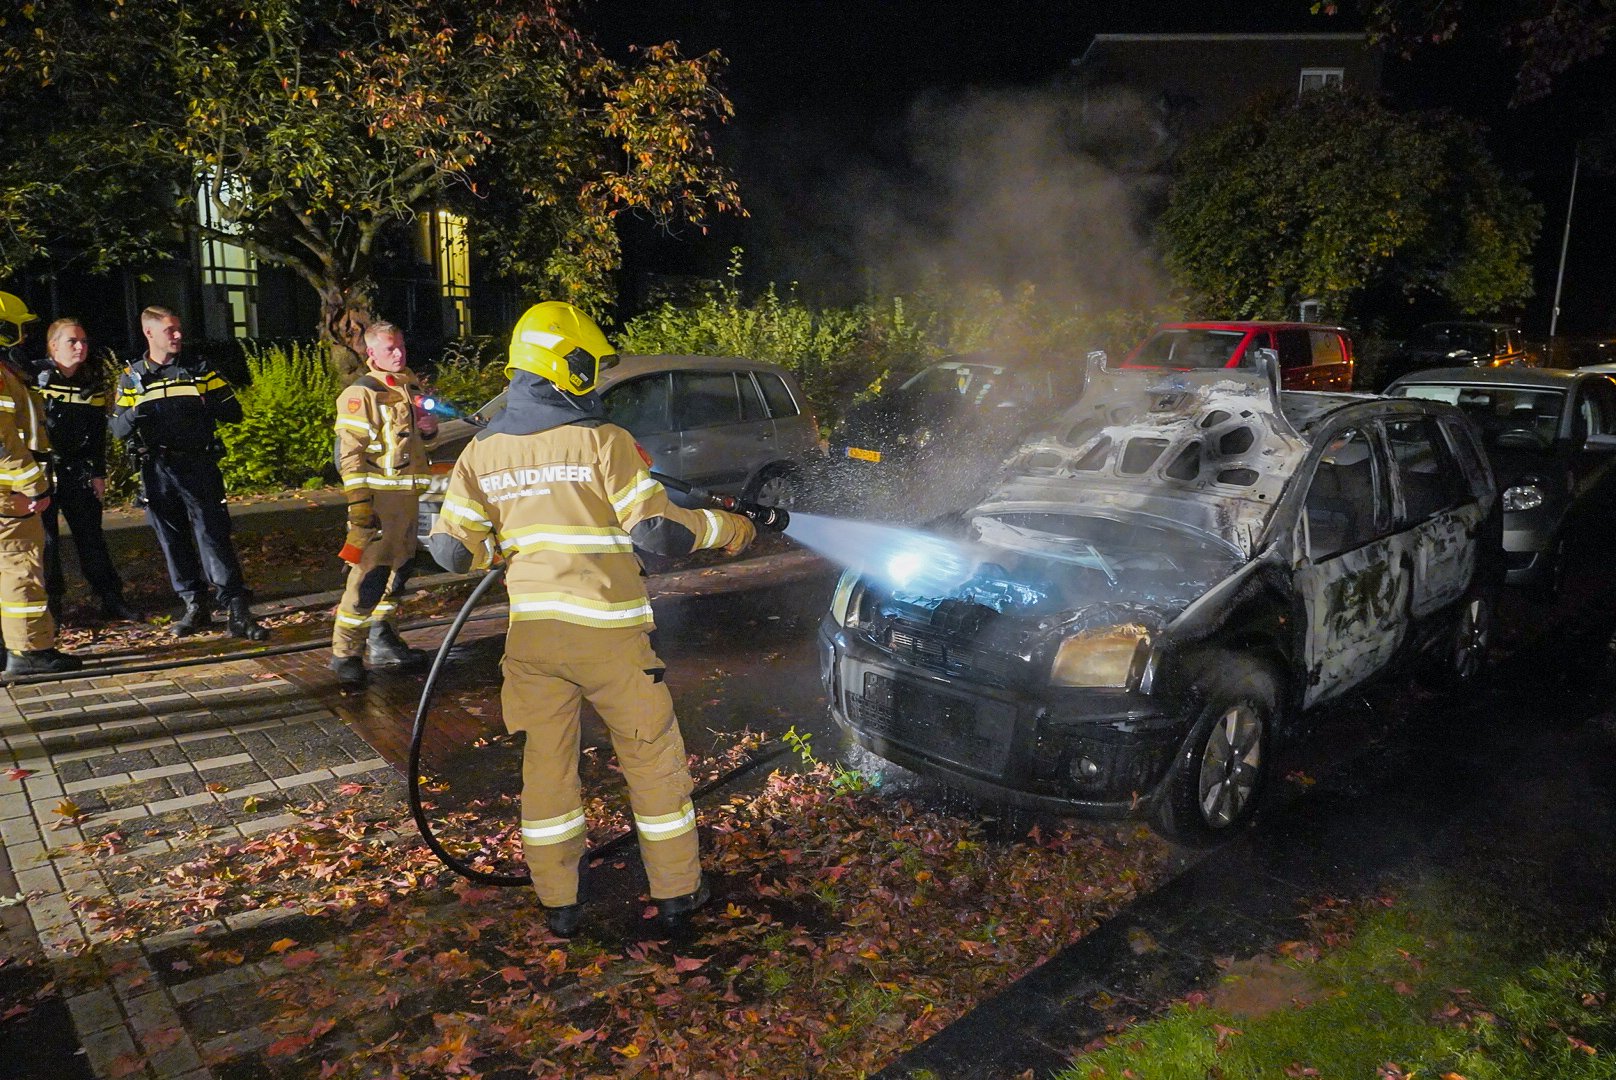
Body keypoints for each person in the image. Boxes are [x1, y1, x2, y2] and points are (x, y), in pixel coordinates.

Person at [427, 301, 756, 938]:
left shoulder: (480, 452)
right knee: (651, 759)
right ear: (566, 365)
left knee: (546, 768)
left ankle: (559, 903)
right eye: (590, 364)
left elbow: (449, 550)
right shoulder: (602, 441)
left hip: (533, 641)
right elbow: (657, 530)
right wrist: (730, 529)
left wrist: (496, 541)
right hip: (610, 638)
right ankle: (678, 892)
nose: (597, 376)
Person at [110, 307, 268, 640]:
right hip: (156, 469)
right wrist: (136, 412)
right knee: (172, 540)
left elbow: (234, 412)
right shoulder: (133, 377)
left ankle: (236, 607)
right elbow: (117, 428)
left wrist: (202, 403)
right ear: (149, 333)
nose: (178, 335)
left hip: (198, 465)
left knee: (212, 534)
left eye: (179, 329)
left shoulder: (199, 370)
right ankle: (195, 605)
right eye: (171, 330)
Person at [330, 321, 437, 689]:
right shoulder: (362, 394)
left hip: (407, 503)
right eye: (389, 349)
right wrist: (359, 505)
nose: (398, 353)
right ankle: (346, 654)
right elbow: (350, 455)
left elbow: (414, 443)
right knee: (368, 579)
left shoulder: (408, 386)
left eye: (401, 346)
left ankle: (383, 638)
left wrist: (428, 428)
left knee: (399, 575)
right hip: (378, 505)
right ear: (370, 353)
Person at [29, 319, 136, 622]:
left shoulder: (91, 380)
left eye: (84, 341)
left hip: (78, 471)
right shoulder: (33, 377)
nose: (81, 347)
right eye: (72, 342)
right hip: (42, 473)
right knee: (46, 543)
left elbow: (98, 431)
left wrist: (99, 472)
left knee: (91, 538)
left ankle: (111, 599)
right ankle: (53, 608)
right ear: (53, 346)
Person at [0, 341, 82, 676]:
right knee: (21, 570)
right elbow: (4, 441)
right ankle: (29, 651)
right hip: (10, 496)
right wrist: (36, 485)